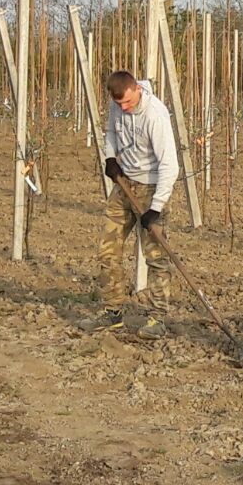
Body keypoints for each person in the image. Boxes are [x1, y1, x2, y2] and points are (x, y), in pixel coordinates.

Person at [78, 70, 179, 340]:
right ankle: (112, 313)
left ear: (136, 89)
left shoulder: (155, 115)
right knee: (107, 250)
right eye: (118, 103)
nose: (123, 108)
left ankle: (158, 317)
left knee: (156, 257)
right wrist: (111, 157)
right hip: (123, 185)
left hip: (150, 188)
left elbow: (170, 165)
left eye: (127, 102)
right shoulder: (116, 105)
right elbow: (110, 131)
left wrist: (155, 208)